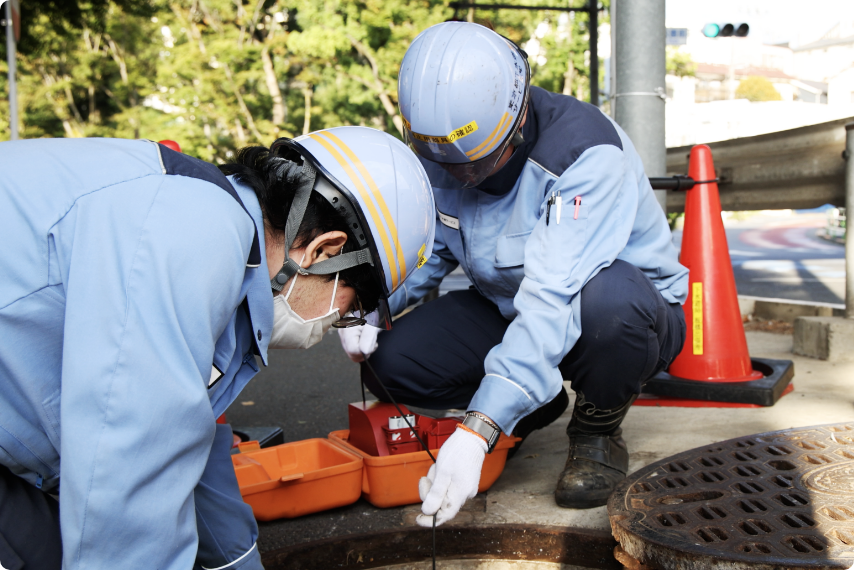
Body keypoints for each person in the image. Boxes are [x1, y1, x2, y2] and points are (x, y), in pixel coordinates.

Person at [0, 127, 435, 570]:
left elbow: (183, 438)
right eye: (350, 306)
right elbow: (128, 485)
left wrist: (238, 562)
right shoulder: (191, 236)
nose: (336, 322)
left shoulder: (218, 243)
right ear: (323, 252)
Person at [339, 22, 688, 526]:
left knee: (612, 306)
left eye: (474, 167)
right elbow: (429, 251)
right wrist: (367, 303)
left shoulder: (584, 156)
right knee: (390, 360)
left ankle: (597, 431)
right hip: (508, 303)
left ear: (518, 116)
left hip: (613, 312)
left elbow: (553, 296)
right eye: (446, 166)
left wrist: (478, 428)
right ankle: (529, 405)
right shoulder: (445, 150)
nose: (460, 177)